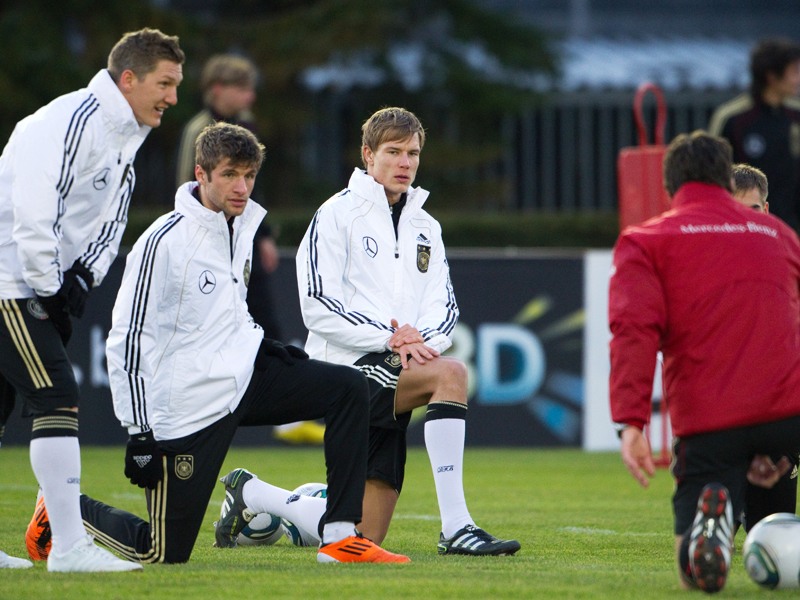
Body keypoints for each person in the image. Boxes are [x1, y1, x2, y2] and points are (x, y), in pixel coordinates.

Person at [27, 122, 409, 565]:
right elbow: (127, 338)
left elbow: (224, 309)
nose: (241, 186)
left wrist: (262, 346)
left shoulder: (241, 225)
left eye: (249, 175)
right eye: (230, 174)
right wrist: (139, 434)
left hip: (247, 375)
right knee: (163, 553)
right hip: (190, 408)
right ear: (201, 174)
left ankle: (340, 537)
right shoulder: (163, 241)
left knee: (348, 387)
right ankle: (56, 510)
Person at [291, 106, 520, 556]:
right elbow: (316, 305)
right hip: (344, 369)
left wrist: (419, 342)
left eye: (413, 153)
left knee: (365, 535)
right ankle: (457, 527)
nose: (405, 163)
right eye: (393, 152)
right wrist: (388, 337)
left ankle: (257, 498)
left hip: (398, 364)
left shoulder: (425, 227)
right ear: (367, 155)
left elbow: (445, 306)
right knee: (450, 374)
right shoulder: (336, 214)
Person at [0, 27, 184, 573]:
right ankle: (69, 548)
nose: (173, 97)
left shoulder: (126, 132)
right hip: (10, 282)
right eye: (165, 83)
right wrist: (51, 285)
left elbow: (111, 221)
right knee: (56, 397)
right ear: (128, 79)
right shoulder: (68, 121)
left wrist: (83, 279)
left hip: (32, 283)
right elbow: (36, 213)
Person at [608, 130, 800, 593]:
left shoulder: (647, 240)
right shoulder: (779, 235)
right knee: (772, 516)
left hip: (712, 419)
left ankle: (709, 529)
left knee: (692, 576)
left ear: (671, 189)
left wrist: (630, 423)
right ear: (724, 178)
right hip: (788, 413)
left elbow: (633, 333)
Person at [175, 53, 324, 446]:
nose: (250, 95)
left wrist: (262, 235)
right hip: (212, 246)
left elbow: (253, 192)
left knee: (263, 324)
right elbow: (188, 191)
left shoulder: (243, 128)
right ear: (218, 90)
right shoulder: (201, 131)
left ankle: (288, 415)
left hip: (241, 243)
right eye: (242, 87)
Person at [709, 37, 800, 232]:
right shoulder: (732, 119)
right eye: (794, 72)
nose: (798, 79)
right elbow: (714, 180)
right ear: (772, 77)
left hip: (792, 232)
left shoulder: (796, 115)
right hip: (746, 232)